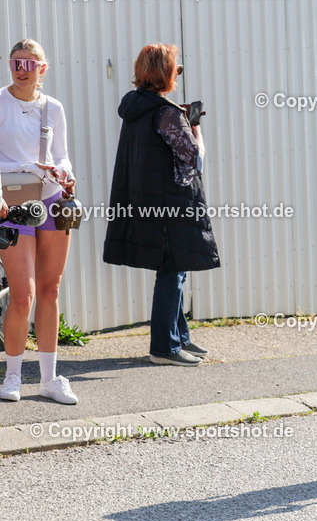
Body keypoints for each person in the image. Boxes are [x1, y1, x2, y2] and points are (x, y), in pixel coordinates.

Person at [103, 44, 220, 366]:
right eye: (175, 69)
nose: (177, 75)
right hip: (170, 205)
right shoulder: (166, 113)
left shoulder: (138, 108)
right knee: (172, 272)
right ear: (164, 72)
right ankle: (163, 348)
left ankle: (179, 336)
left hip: (150, 202)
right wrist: (195, 128)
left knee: (175, 271)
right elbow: (195, 158)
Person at [0, 39, 79, 404]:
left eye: (29, 64)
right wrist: (24, 169)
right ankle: (12, 377)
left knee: (50, 291)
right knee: (22, 295)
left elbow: (61, 156)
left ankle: (49, 380)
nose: (21, 69)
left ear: (42, 70)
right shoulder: (0, 101)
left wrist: (65, 175)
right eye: (16, 62)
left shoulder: (53, 108)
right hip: (12, 204)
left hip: (50, 200)